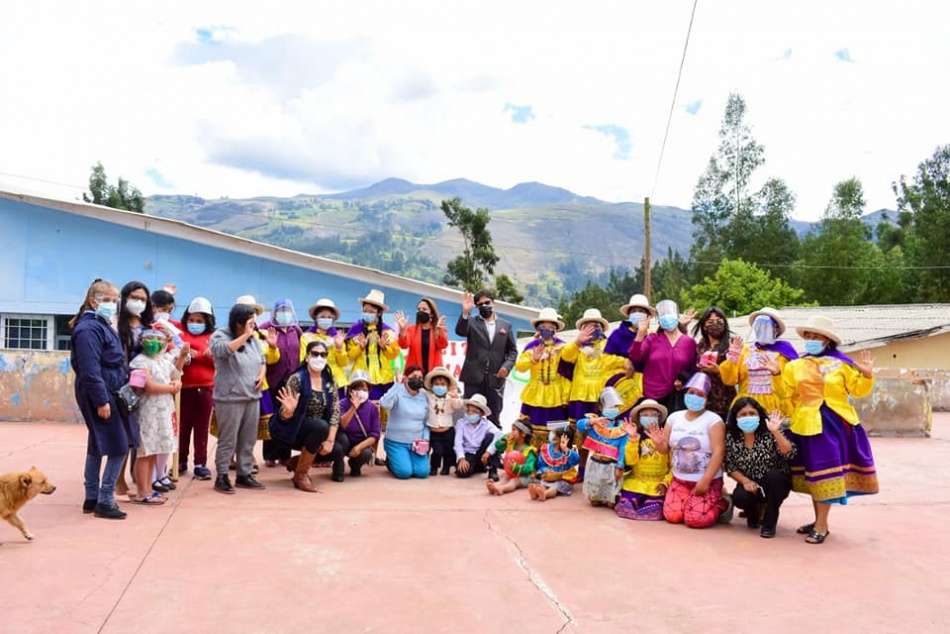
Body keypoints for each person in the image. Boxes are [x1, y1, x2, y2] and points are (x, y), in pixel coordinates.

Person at [781, 315, 879, 545]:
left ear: (827, 340)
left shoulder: (843, 364)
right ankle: (819, 521)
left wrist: (866, 374)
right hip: (805, 424)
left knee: (825, 472)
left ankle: (821, 525)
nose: (812, 340)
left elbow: (858, 390)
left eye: (817, 336)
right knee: (813, 473)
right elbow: (787, 393)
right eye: (809, 336)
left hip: (834, 424)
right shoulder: (795, 365)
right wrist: (777, 374)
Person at [70, 279, 129, 520]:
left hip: (107, 387)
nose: (112, 304)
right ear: (93, 302)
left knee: (97, 443)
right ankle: (105, 500)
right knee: (119, 445)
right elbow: (90, 368)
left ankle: (91, 497)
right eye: (107, 300)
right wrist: (101, 400)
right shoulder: (88, 329)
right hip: (100, 390)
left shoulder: (100, 324)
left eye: (115, 300)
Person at [651, 373, 729, 529]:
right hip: (679, 480)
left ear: (707, 399)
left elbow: (719, 452)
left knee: (695, 520)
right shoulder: (674, 418)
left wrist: (705, 481)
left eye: (700, 395)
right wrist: (658, 442)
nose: (694, 397)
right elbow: (664, 449)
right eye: (691, 392)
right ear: (685, 394)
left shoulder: (714, 421)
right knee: (672, 517)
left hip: (707, 481)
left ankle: (723, 503)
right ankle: (692, 503)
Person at [559, 308, 626, 478]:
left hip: (601, 398)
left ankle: (600, 471)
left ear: (602, 328)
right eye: (587, 325)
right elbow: (566, 357)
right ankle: (580, 471)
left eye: (596, 325)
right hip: (580, 395)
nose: (592, 328)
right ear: (582, 329)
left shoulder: (608, 345)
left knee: (603, 433)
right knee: (580, 436)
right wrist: (577, 342)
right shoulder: (576, 346)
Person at [209, 303, 267, 494]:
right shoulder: (220, 335)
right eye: (250, 322)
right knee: (228, 439)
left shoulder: (254, 339)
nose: (253, 325)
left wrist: (262, 374)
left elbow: (262, 360)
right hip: (230, 397)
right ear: (238, 323)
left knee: (248, 439)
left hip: (252, 395)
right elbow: (223, 351)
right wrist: (245, 336)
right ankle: (222, 476)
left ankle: (244, 474)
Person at [272, 340, 344, 491]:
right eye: (315, 354)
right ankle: (301, 475)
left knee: (339, 446)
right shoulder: (297, 379)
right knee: (320, 426)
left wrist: (330, 440)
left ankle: (297, 462)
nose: (319, 358)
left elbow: (335, 411)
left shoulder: (329, 381)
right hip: (294, 429)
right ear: (307, 357)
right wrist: (289, 411)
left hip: (319, 432)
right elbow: (284, 415)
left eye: (323, 355)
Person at [129, 329, 187, 505]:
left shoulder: (162, 360)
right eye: (149, 338)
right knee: (144, 452)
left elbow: (176, 374)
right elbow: (149, 386)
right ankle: (142, 492)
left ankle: (149, 489)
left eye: (158, 339)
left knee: (153, 451)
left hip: (163, 411)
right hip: (148, 411)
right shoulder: (140, 362)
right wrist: (171, 387)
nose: (154, 342)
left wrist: (182, 359)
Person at [724, 398, 796, 538]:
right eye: (743, 414)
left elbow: (789, 452)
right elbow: (730, 466)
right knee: (739, 497)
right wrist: (745, 481)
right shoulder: (732, 437)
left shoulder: (769, 432)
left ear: (759, 415)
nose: (748, 417)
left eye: (752, 413)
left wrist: (776, 432)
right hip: (750, 483)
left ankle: (770, 521)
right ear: (735, 417)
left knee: (774, 477)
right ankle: (753, 514)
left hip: (774, 483)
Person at [346, 289, 400, 464]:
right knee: (366, 416)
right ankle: (367, 452)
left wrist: (385, 347)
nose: (367, 313)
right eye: (365, 310)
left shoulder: (388, 332)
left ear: (379, 312)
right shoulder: (355, 331)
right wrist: (360, 347)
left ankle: (380, 453)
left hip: (384, 380)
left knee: (384, 419)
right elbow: (349, 356)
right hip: (364, 380)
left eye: (371, 310)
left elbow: (394, 355)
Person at [114, 281, 154, 499]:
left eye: (143, 299)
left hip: (147, 388)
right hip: (125, 388)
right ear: (125, 298)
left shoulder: (149, 327)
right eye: (135, 298)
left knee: (140, 438)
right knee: (123, 437)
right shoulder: (115, 325)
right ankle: (117, 480)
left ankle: (140, 480)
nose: (139, 303)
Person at [719, 307, 798, 419]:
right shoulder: (745, 350)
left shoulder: (785, 353)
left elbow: (792, 389)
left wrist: (777, 374)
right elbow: (730, 381)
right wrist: (732, 358)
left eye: (766, 326)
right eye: (758, 326)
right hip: (746, 407)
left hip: (775, 409)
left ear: (776, 329)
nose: (761, 330)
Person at [455, 289, 518, 426]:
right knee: (471, 416)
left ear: (493, 303)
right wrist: (465, 312)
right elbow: (460, 331)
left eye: (487, 302)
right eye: (480, 304)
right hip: (473, 378)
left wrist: (506, 367)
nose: (484, 306)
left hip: (495, 378)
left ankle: (492, 440)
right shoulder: (472, 322)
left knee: (493, 417)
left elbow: (513, 351)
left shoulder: (505, 326)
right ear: (476, 307)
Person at [515, 307, 570, 451]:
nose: (547, 329)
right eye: (543, 326)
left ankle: (553, 459)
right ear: (538, 328)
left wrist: (566, 397)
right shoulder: (532, 346)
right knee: (530, 430)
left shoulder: (563, 347)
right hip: (535, 394)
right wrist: (533, 359)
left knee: (556, 432)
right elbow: (520, 366)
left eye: (551, 326)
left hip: (556, 395)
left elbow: (566, 374)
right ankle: (532, 459)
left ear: (556, 329)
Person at [628, 299, 697, 413]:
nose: (667, 317)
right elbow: (635, 356)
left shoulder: (689, 342)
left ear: (676, 316)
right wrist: (640, 333)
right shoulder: (652, 339)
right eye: (663, 315)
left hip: (678, 397)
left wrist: (684, 379)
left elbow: (694, 369)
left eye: (669, 313)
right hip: (653, 395)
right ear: (659, 320)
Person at [259, 298, 303, 468]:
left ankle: (285, 455)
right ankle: (270, 455)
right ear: (275, 313)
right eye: (281, 311)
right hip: (273, 381)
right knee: (272, 418)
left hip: (291, 381)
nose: (284, 314)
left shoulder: (295, 330)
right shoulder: (265, 328)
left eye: (287, 311)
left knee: (288, 417)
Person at [615, 399, 671, 521]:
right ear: (639, 418)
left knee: (655, 507)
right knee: (626, 505)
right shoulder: (636, 437)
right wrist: (633, 438)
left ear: (659, 417)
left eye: (653, 415)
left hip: (657, 484)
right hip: (636, 482)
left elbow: (673, 465)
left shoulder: (666, 437)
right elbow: (630, 461)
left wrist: (666, 482)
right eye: (645, 415)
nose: (649, 417)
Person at [178, 297, 215, 480]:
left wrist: (196, 355)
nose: (194, 324)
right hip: (184, 388)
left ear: (207, 321)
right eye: (191, 320)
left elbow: (218, 359)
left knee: (201, 427)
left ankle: (200, 463)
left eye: (199, 321)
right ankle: (180, 461)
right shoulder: (180, 334)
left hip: (205, 389)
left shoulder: (213, 338)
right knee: (183, 426)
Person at [576, 387, 629, 508]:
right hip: (595, 463)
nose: (613, 409)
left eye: (615, 406)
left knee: (611, 503)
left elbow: (623, 448)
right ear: (601, 408)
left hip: (612, 465)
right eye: (610, 406)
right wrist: (592, 422)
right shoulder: (594, 421)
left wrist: (620, 466)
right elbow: (579, 426)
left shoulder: (622, 426)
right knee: (594, 501)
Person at [378, 364, 430, 479]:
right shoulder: (397, 392)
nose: (417, 379)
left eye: (420, 377)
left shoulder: (424, 396)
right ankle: (391, 460)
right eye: (414, 376)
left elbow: (426, 422)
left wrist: (426, 438)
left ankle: (406, 459)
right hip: (396, 441)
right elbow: (384, 404)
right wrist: (397, 385)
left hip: (417, 443)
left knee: (422, 472)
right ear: (406, 378)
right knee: (404, 473)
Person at [692, 306, 737, 421]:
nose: (715, 324)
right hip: (703, 398)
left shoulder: (732, 344)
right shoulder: (702, 344)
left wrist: (719, 371)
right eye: (710, 322)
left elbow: (737, 373)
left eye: (719, 321)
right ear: (704, 326)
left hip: (725, 399)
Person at [300, 298, 349, 397]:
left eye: (329, 317)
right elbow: (302, 360)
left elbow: (343, 363)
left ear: (333, 319)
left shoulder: (337, 337)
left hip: (336, 381)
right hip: (314, 381)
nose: (326, 319)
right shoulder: (306, 337)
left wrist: (339, 348)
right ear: (316, 318)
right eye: (322, 317)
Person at [423, 366, 464, 476]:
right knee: (437, 451)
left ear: (448, 386)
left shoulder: (450, 398)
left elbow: (459, 405)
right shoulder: (428, 396)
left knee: (448, 451)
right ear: (432, 385)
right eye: (436, 384)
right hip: (434, 432)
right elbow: (420, 390)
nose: (439, 387)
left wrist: (456, 396)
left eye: (442, 384)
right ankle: (434, 467)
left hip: (448, 431)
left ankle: (446, 467)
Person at [339, 370, 379, 478]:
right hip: (344, 441)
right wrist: (353, 407)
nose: (361, 392)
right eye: (357, 389)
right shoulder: (342, 404)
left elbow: (375, 434)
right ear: (350, 390)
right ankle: (338, 466)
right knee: (341, 441)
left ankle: (355, 466)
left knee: (366, 453)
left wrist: (359, 447)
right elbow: (342, 425)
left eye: (364, 390)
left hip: (361, 442)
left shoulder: (372, 408)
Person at [528, 422, 580, 502]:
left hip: (563, 479)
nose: (551, 434)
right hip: (549, 477)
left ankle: (545, 494)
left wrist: (565, 449)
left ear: (560, 438)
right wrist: (546, 471)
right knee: (543, 484)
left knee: (554, 487)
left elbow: (575, 461)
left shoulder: (569, 451)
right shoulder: (547, 448)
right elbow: (541, 464)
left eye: (553, 433)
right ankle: (536, 493)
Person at [396, 297, 449, 375]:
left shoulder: (439, 329)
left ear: (431, 313)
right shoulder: (411, 329)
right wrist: (402, 330)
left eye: (424, 309)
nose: (421, 311)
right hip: (414, 374)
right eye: (418, 309)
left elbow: (443, 345)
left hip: (433, 374)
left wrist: (439, 332)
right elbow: (404, 345)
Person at [453, 394, 501, 480]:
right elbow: (458, 442)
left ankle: (493, 470)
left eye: (474, 411)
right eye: (468, 410)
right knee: (462, 472)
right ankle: (477, 467)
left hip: (482, 453)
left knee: (491, 437)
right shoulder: (461, 423)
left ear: (481, 414)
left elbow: (499, 434)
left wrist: (488, 452)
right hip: (468, 453)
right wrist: (461, 458)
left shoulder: (486, 424)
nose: (470, 414)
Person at [486, 421, 537, 496]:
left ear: (523, 434)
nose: (511, 432)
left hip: (526, 477)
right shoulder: (511, 444)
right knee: (505, 477)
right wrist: (505, 438)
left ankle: (502, 489)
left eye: (514, 430)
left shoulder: (529, 450)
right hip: (511, 473)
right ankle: (496, 486)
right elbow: (498, 446)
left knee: (514, 481)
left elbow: (529, 468)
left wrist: (516, 468)